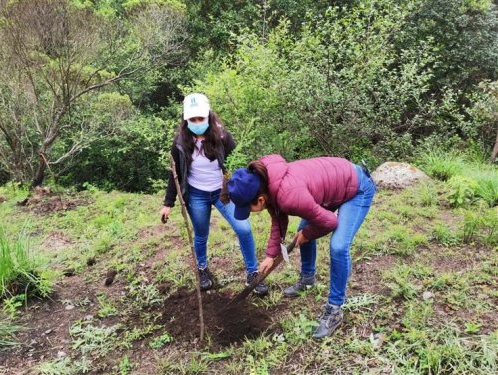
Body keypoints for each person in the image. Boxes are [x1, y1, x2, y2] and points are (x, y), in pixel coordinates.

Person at [227, 154, 376, 338]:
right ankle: (307, 279)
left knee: (338, 246)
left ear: (260, 200)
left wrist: (307, 234)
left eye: (248, 208)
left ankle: (335, 309)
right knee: (303, 227)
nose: (249, 212)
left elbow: (330, 222)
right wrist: (270, 255)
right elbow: (279, 220)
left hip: (357, 187)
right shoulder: (266, 180)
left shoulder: (289, 195)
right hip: (332, 186)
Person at [160, 93, 268, 296]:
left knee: (244, 229)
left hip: (223, 193)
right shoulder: (180, 143)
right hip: (196, 195)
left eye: (201, 118)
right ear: (186, 119)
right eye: (192, 119)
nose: (197, 122)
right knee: (201, 235)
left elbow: (236, 165)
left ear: (208, 116)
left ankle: (253, 274)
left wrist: (247, 190)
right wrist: (168, 203)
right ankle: (202, 270)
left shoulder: (222, 137)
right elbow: (174, 174)